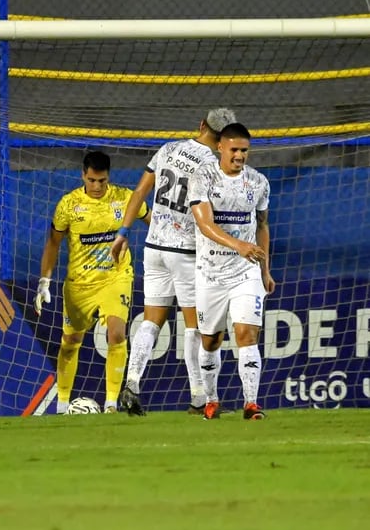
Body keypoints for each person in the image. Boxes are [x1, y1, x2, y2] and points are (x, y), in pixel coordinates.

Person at [111, 108, 237, 416]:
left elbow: (140, 191)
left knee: (151, 320)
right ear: (222, 140)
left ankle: (132, 384)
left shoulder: (167, 148)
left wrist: (123, 231)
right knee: (197, 326)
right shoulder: (213, 165)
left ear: (200, 125)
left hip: (154, 247)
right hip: (186, 252)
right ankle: (201, 397)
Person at [35, 150, 150, 414]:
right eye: (92, 180)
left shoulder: (124, 198)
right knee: (70, 342)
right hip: (79, 283)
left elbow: (152, 220)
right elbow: (53, 242)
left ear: (109, 177)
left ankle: (111, 404)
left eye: (102, 181)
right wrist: (44, 280)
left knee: (117, 332)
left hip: (115, 277)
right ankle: (62, 405)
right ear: (83, 176)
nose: (97, 186)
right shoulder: (68, 205)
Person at [187, 122, 276, 420]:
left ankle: (251, 404)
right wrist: (239, 244)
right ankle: (211, 400)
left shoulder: (259, 182)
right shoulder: (202, 178)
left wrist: (265, 271)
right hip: (210, 272)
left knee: (247, 334)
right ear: (220, 147)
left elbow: (262, 226)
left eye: (245, 150)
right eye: (235, 149)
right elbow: (205, 224)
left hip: (245, 271)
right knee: (210, 340)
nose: (240, 155)